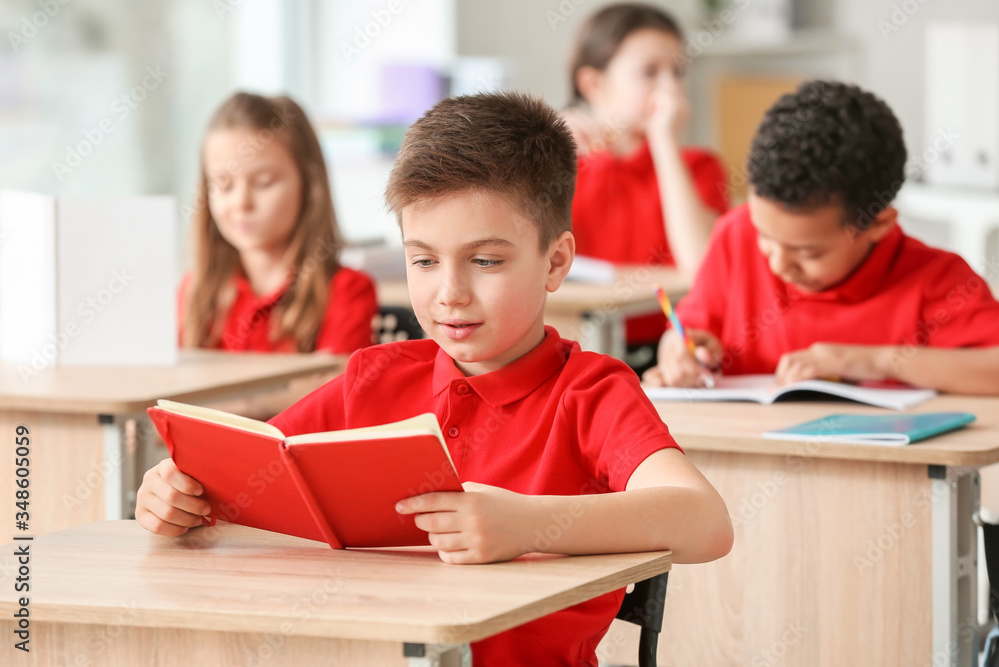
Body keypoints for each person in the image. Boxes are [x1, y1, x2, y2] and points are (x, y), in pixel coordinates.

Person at [136, 91, 733, 667]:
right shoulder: (375, 378)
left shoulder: (592, 393)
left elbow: (705, 522)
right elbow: (246, 469)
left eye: (486, 261)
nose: (450, 293)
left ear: (555, 262)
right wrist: (175, 494)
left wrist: (527, 526)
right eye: (423, 260)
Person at [643, 80, 999, 394]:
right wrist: (678, 350)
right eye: (764, 236)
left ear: (878, 224)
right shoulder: (735, 236)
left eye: (808, 252)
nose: (779, 264)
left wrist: (879, 361)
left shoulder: (935, 281)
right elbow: (689, 332)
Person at [179, 92, 378, 415]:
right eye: (224, 185)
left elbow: (335, 394)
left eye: (264, 182)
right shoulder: (194, 291)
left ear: (309, 185)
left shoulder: (347, 291)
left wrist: (233, 406)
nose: (241, 203)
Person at [564, 3, 729, 347]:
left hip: (669, 349)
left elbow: (703, 268)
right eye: (650, 72)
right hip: (576, 343)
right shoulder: (563, 163)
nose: (670, 89)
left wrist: (665, 142)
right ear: (594, 84)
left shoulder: (699, 166)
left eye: (678, 72)